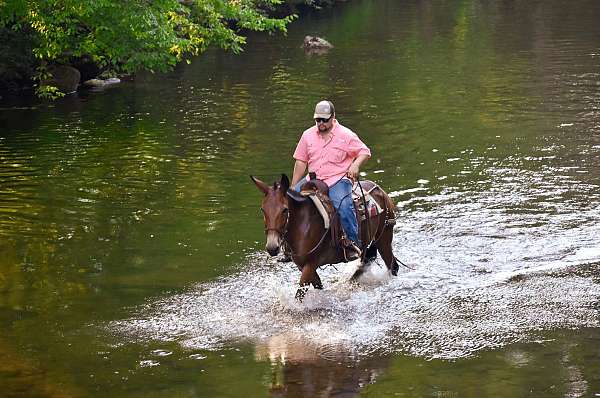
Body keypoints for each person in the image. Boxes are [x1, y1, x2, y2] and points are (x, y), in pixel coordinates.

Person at [291, 100, 371, 258]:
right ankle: (287, 246)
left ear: (333, 117)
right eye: (317, 120)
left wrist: (355, 165)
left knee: (343, 205)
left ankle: (353, 244)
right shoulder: (307, 135)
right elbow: (301, 161)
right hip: (313, 179)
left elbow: (364, 151)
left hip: (338, 179)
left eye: (324, 120)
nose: (320, 123)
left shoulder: (346, 135)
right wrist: (293, 186)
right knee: (288, 202)